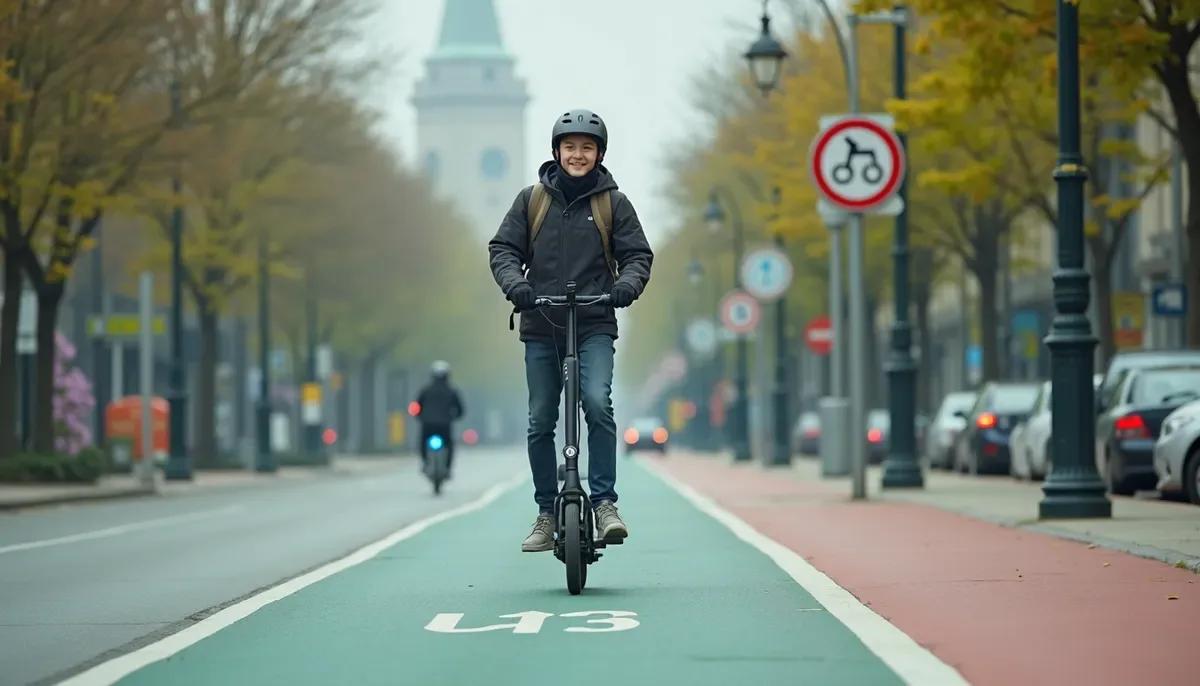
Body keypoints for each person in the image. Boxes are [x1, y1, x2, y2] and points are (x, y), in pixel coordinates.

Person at [488, 109, 653, 552]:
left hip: (594, 323)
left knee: (597, 403)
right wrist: (517, 286)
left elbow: (638, 255)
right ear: (556, 152)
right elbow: (503, 249)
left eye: (587, 147)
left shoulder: (612, 204)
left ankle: (604, 503)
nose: (577, 155)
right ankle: (545, 511)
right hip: (542, 323)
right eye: (570, 147)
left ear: (599, 154)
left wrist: (625, 287)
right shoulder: (532, 201)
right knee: (541, 418)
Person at [414, 361, 464, 476]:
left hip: (428, 424)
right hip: (445, 424)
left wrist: (419, 416)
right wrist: (455, 416)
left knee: (422, 442)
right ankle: (447, 467)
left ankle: (426, 462)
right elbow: (460, 409)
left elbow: (417, 406)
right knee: (449, 444)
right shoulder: (452, 391)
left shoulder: (425, 390)